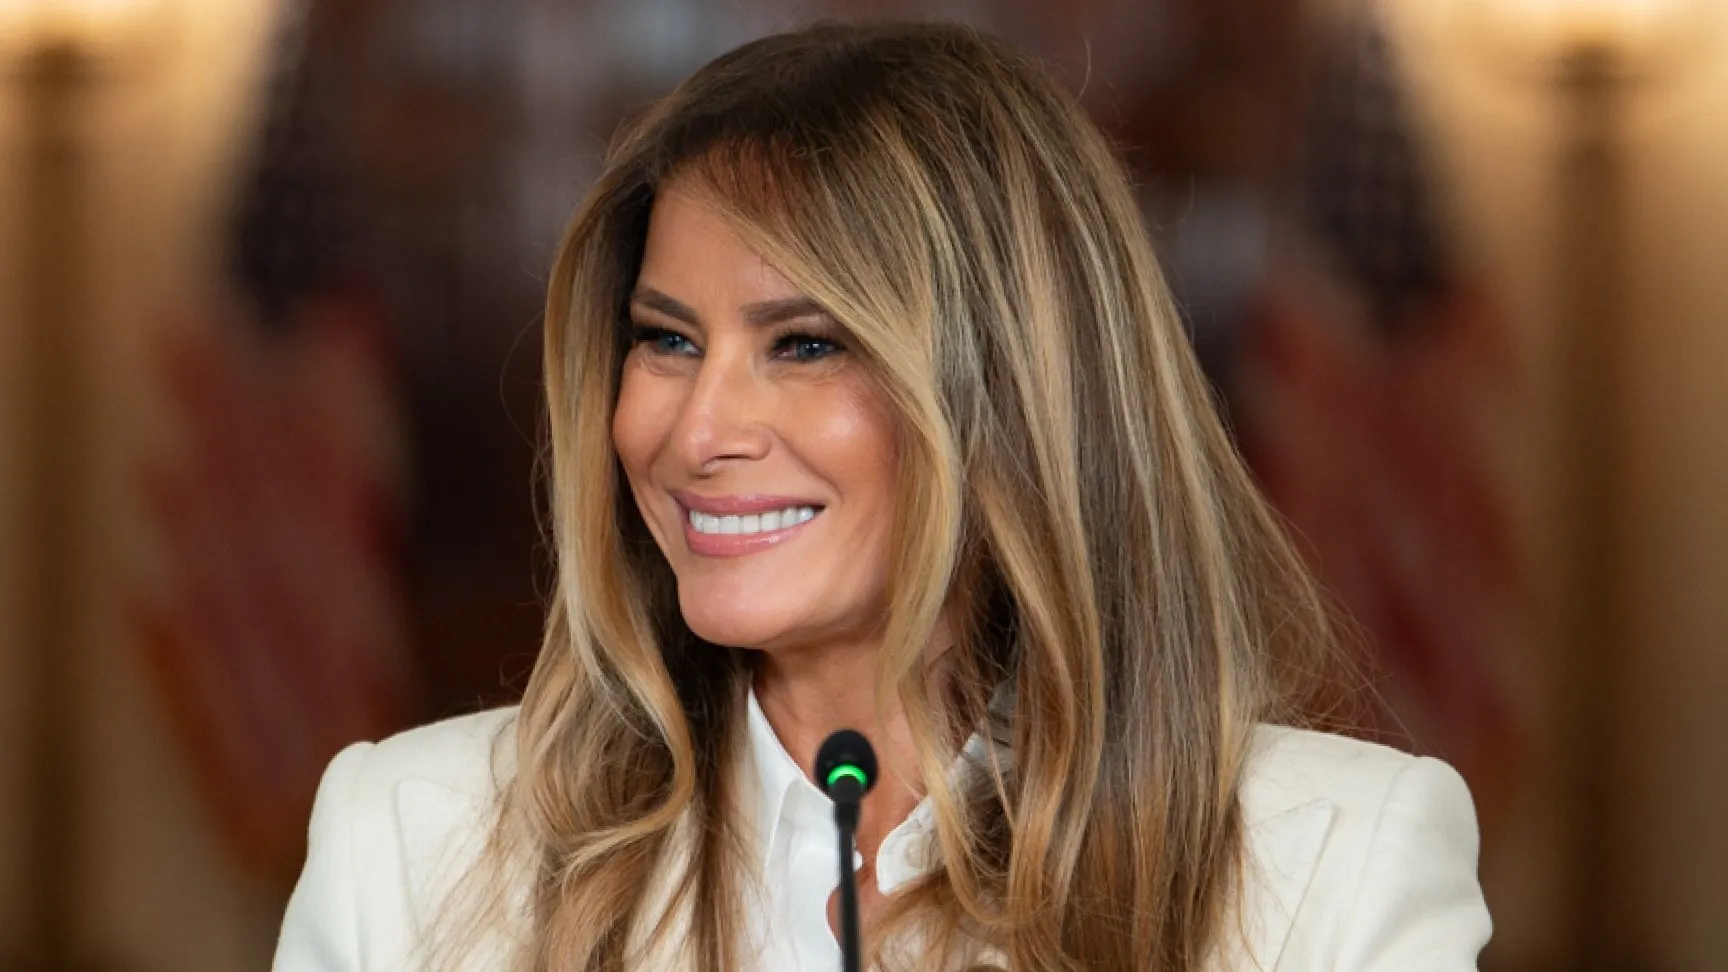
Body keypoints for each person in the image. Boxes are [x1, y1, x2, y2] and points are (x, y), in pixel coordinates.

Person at [273, 21, 1490, 972]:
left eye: (805, 345)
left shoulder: (1342, 863)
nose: (697, 432)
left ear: (1016, 395)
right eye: (667, 340)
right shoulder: (408, 841)